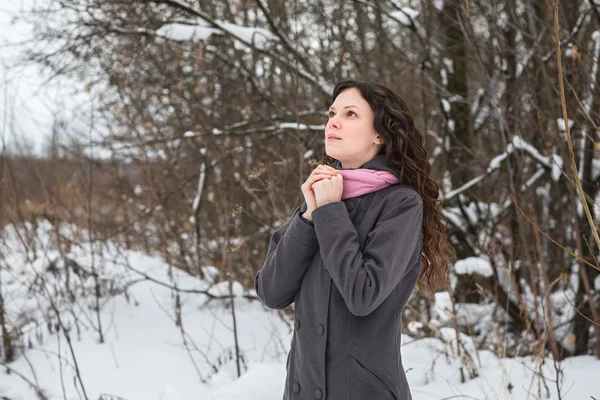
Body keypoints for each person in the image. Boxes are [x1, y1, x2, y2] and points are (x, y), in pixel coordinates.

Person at [254, 80, 451, 400]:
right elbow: (271, 292)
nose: (333, 121)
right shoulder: (320, 197)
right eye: (332, 113)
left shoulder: (400, 204)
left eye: (350, 114)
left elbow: (363, 294)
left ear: (380, 134)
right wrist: (307, 218)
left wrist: (330, 212)